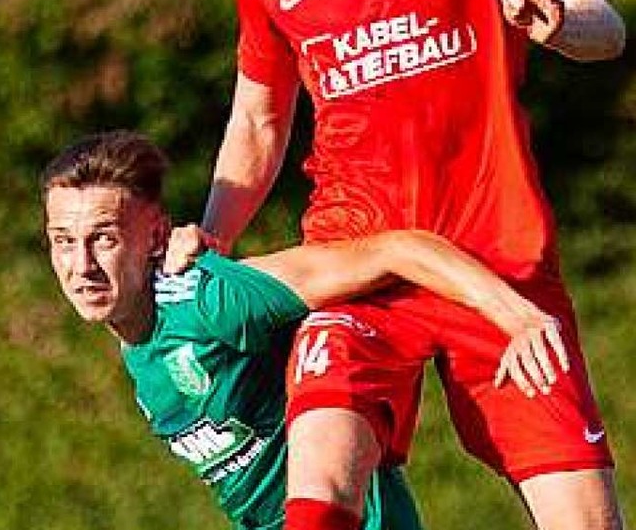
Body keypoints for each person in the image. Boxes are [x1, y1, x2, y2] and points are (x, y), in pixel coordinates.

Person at [174, 0, 627, 530]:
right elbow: (259, 118)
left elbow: (606, 24)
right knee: (324, 471)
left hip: (501, 263)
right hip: (361, 264)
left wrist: (561, 22)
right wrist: (210, 239)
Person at [43, 130, 570, 530]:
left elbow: (397, 249)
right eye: (63, 241)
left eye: (104, 239)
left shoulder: (207, 298)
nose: (80, 265)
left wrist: (519, 315)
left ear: (156, 235)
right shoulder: (136, 340)